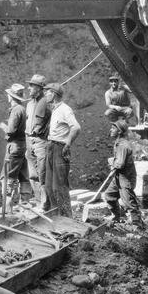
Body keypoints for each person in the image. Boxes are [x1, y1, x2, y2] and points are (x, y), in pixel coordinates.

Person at [44, 82, 80, 217]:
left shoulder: (65, 109)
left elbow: (76, 127)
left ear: (53, 94)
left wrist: (68, 143)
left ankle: (66, 218)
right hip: (51, 147)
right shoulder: (55, 109)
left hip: (60, 148)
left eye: (47, 92)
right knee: (49, 185)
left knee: (59, 186)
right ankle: (55, 216)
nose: (45, 94)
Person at [104, 119, 144, 229]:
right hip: (119, 176)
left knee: (128, 202)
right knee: (109, 196)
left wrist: (111, 161)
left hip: (125, 178)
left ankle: (137, 224)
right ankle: (116, 217)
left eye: (113, 128)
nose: (110, 130)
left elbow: (120, 164)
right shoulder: (118, 143)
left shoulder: (123, 145)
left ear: (120, 131)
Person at [0, 83, 31, 212]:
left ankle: (6, 208)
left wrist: (2, 126)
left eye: (8, 95)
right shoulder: (22, 109)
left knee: (7, 175)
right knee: (23, 174)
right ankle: (25, 203)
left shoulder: (16, 110)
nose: (7, 96)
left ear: (11, 97)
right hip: (22, 145)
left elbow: (11, 130)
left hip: (15, 146)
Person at [24, 74, 51, 210]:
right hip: (30, 141)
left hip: (41, 142)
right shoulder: (29, 104)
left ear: (40, 89)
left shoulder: (46, 103)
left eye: (32, 86)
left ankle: (45, 204)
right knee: (33, 175)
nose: (29, 88)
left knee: (43, 174)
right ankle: (38, 201)